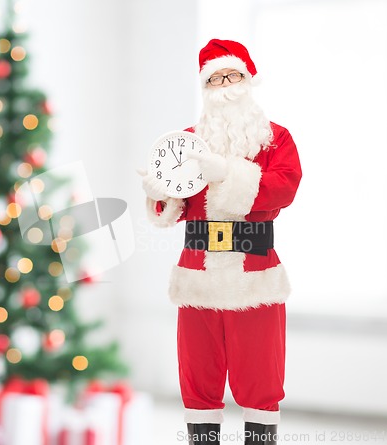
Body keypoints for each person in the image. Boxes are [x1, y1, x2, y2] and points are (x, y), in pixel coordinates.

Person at [141, 39, 302, 445]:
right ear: (205, 88)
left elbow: (283, 188)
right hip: (198, 273)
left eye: (232, 76)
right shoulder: (188, 142)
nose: (225, 85)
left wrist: (226, 172)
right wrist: (158, 193)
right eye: (215, 78)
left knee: (262, 378)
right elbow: (172, 207)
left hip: (256, 273)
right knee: (198, 376)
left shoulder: (275, 138)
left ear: (248, 80)